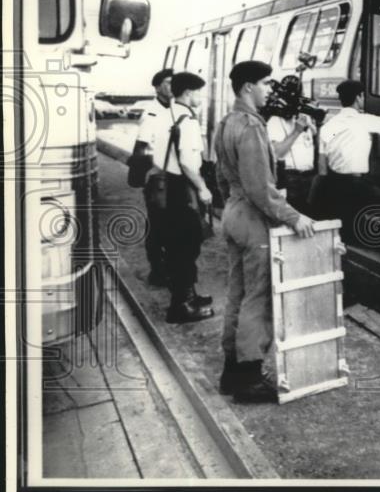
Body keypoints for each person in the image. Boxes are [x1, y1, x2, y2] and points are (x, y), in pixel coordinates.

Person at [215, 60, 315, 403]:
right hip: (253, 218)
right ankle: (249, 377)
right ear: (248, 87)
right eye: (266, 84)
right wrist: (293, 217)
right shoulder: (252, 126)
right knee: (259, 298)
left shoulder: (226, 123)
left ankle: (231, 371)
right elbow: (261, 187)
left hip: (233, 212)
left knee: (237, 295)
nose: (270, 90)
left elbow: (223, 174)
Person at [311, 79, 380, 238]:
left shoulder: (327, 127)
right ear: (359, 97)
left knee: (346, 224)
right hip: (357, 183)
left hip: (334, 184)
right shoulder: (363, 120)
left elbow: (322, 167)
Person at [160, 71, 215, 324]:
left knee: (179, 245)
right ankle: (181, 306)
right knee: (186, 246)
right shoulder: (189, 122)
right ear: (189, 93)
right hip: (184, 189)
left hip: (172, 187)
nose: (200, 97)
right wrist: (202, 188)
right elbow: (187, 162)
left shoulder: (170, 114)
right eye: (198, 92)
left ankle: (188, 295)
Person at [132, 68, 173, 287]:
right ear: (157, 87)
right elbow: (143, 147)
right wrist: (145, 178)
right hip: (159, 179)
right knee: (158, 226)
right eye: (167, 83)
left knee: (173, 226)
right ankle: (157, 271)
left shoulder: (176, 109)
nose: (171, 86)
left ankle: (169, 268)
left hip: (175, 177)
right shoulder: (152, 112)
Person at [266, 112, 317, 213]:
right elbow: (277, 153)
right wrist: (297, 131)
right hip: (290, 179)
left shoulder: (304, 118)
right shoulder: (275, 121)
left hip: (309, 178)